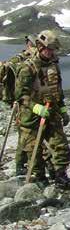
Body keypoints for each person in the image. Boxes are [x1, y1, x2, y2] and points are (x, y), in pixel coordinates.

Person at [15, 30, 70, 186]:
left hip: (52, 111)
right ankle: (39, 177)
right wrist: (36, 108)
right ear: (40, 47)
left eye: (53, 49)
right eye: (48, 49)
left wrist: (63, 110)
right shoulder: (28, 68)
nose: (50, 52)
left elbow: (58, 90)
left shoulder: (54, 66)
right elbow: (21, 96)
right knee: (34, 150)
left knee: (61, 145)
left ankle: (61, 175)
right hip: (32, 115)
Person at [2, 35, 37, 176]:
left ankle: (32, 163)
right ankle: (19, 165)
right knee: (24, 134)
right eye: (34, 45)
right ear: (29, 45)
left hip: (34, 101)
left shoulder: (35, 60)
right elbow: (7, 72)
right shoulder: (19, 59)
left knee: (30, 134)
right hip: (21, 103)